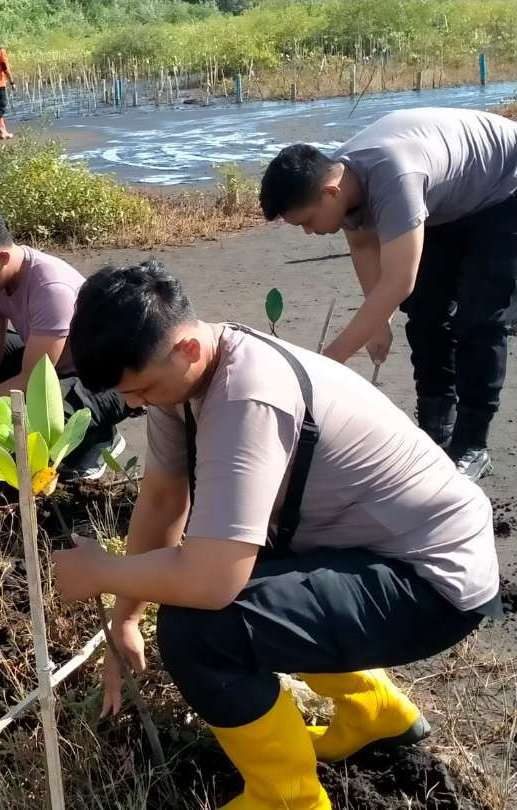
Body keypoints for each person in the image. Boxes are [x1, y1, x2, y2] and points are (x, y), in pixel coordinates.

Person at [51, 262, 500, 809]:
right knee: (245, 573)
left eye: (143, 388)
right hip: (378, 553)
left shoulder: (247, 396)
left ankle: (287, 798)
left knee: (199, 629)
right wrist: (125, 616)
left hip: (433, 583)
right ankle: (375, 710)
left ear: (186, 349)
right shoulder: (184, 379)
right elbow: (166, 498)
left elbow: (213, 582)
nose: (141, 403)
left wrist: (101, 571)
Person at [259, 108, 517, 481]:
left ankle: (472, 446)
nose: (308, 233)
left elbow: (398, 282)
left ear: (330, 193)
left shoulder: (394, 178)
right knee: (427, 315)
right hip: (448, 198)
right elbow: (365, 247)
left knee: (478, 320)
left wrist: (329, 361)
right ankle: (435, 433)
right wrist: (378, 323)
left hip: (505, 185)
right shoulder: (342, 183)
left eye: (307, 222)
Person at [0, 208, 133, 478]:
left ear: (3, 257)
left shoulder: (50, 287)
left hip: (109, 378)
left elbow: (31, 380)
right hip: (56, 366)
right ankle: (30, 431)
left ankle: (98, 442)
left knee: (42, 411)